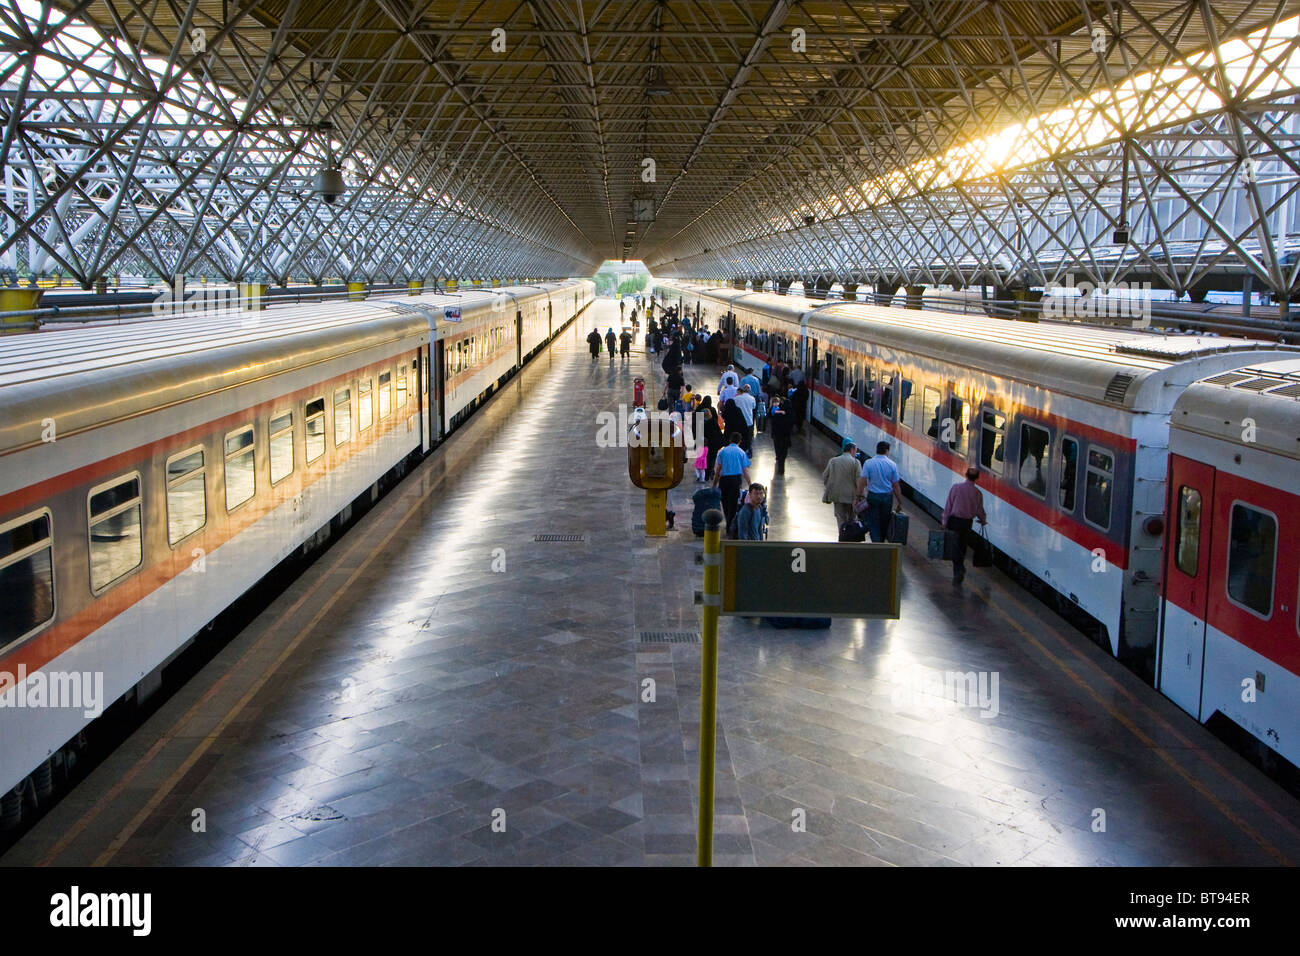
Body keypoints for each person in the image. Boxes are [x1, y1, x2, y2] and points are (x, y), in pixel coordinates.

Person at [942, 467, 988, 584]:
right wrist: (982, 520)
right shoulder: (978, 493)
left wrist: (944, 522)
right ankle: (959, 569)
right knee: (962, 547)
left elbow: (949, 506)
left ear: (966, 475)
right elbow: (979, 510)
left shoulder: (956, 488)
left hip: (954, 521)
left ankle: (959, 570)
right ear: (977, 478)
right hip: (967, 523)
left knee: (954, 546)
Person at [856, 441, 905, 543]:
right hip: (887, 498)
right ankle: (881, 542)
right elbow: (896, 485)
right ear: (887, 451)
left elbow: (862, 482)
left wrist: (858, 496)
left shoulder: (868, 463)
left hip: (873, 496)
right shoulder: (892, 465)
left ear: (877, 450)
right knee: (884, 521)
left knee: (873, 521)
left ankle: (876, 542)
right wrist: (900, 502)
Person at [713, 432, 751, 535]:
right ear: (740, 441)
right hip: (735, 480)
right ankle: (730, 525)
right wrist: (750, 484)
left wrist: (714, 484)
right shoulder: (741, 452)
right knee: (733, 503)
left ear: (730, 440)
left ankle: (728, 520)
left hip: (724, 480)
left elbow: (717, 470)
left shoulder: (722, 452)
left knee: (724, 502)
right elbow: (745, 470)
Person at [822, 438, 861, 530]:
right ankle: (850, 539)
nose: (856, 453)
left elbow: (825, 476)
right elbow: (859, 480)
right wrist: (860, 496)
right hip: (851, 497)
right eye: (855, 451)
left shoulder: (833, 461)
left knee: (841, 519)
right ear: (852, 450)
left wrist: (831, 486)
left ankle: (842, 538)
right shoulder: (856, 462)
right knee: (852, 519)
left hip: (837, 495)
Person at [768, 395, 793, 475]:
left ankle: (779, 460)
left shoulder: (778, 413)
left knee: (778, 448)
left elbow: (771, 419)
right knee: (784, 452)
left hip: (776, 435)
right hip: (785, 436)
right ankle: (781, 464)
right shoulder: (789, 414)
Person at [733, 384, 757, 453]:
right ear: (749, 390)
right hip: (749, 421)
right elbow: (753, 407)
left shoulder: (737, 398)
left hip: (739, 421)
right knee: (748, 438)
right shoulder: (752, 398)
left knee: (739, 437)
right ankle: (747, 451)